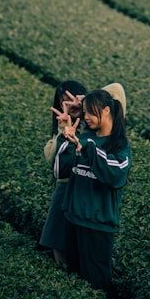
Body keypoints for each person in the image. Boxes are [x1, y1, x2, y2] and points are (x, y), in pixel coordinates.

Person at [53, 88, 131, 293]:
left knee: (97, 285)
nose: (86, 117)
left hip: (98, 227)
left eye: (90, 112)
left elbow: (116, 175)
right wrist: (65, 133)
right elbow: (59, 169)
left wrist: (87, 147)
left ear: (106, 110)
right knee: (74, 283)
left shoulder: (120, 146)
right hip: (73, 220)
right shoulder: (84, 138)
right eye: (84, 112)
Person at [39, 80, 88, 264]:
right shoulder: (60, 132)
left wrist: (86, 105)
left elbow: (117, 93)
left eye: (72, 99)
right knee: (59, 243)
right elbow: (52, 158)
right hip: (65, 191)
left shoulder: (96, 126)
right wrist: (64, 129)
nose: (68, 105)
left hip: (87, 192)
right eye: (63, 102)